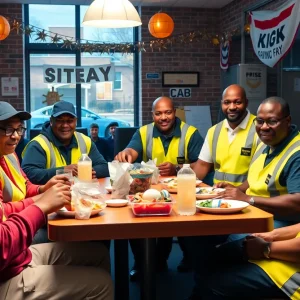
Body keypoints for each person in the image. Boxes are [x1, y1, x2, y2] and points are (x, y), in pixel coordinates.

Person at [185, 96, 300, 300]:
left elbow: (297, 203)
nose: (264, 127)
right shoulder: (267, 145)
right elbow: (256, 179)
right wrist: (236, 189)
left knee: (216, 261)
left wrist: (249, 200)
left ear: (287, 121)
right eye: (260, 121)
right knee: (205, 252)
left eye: (272, 121)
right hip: (262, 222)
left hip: (277, 230)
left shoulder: (296, 153)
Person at [0, 102, 113, 300]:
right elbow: (4, 242)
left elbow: (25, 187)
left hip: (18, 255)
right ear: (51, 122)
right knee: (102, 284)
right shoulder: (38, 144)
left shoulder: (9, 155)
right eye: (8, 129)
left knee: (99, 253)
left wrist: (44, 190)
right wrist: (42, 205)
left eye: (19, 129)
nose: (16, 136)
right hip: (8, 270)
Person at [115, 96, 204, 280]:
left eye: (168, 112)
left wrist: (177, 168)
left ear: (175, 112)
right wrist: (126, 154)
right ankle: (141, 263)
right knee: (135, 220)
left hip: (181, 191)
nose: (163, 117)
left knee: (177, 221)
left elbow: (202, 166)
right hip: (150, 191)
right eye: (158, 113)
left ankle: (171, 260)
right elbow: (132, 150)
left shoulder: (190, 133)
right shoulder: (144, 132)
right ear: (153, 115)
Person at [199, 224, 300, 299]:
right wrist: (273, 235)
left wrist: (264, 249)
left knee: (213, 286)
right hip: (289, 250)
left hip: (292, 276)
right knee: (217, 255)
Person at [22, 101, 109, 184]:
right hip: (50, 197)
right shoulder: (39, 144)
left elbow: (104, 167)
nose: (65, 125)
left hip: (81, 195)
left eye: (70, 121)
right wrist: (63, 171)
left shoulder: (84, 141)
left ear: (76, 122)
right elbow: (29, 174)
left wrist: (87, 171)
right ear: (51, 121)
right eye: (60, 121)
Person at [191, 84, 260, 186]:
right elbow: (202, 165)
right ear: (222, 104)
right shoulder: (213, 131)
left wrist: (238, 191)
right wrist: (187, 187)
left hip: (247, 197)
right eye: (227, 102)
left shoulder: (260, 129)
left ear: (246, 103)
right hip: (218, 196)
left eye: (237, 102)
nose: (232, 107)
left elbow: (261, 172)